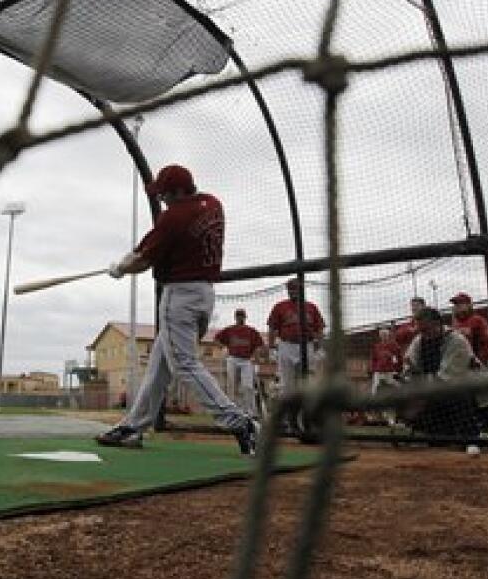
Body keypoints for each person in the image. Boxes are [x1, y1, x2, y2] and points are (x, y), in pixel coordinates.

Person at [95, 164, 260, 455]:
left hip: (179, 297)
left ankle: (239, 422)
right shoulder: (213, 203)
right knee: (158, 369)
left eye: (165, 194)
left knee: (185, 366)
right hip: (204, 295)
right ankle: (134, 426)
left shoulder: (175, 216)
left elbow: (142, 260)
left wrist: (120, 267)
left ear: (179, 191)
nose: (161, 199)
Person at [400, 307, 482, 436]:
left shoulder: (456, 341)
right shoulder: (419, 341)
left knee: (457, 393)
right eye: (420, 330)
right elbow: (409, 368)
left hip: (473, 394)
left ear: (437, 324)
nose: (423, 333)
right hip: (436, 391)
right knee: (437, 437)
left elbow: (447, 378)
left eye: (425, 329)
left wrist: (419, 394)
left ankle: (470, 433)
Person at [265, 277, 325, 400]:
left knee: (307, 380)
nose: (293, 291)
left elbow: (319, 329)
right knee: (286, 383)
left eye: (295, 288)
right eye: (290, 289)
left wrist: (319, 346)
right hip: (286, 345)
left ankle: (307, 413)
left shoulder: (311, 307)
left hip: (307, 345)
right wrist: (271, 347)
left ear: (301, 290)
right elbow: (272, 328)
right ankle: (289, 415)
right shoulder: (280, 306)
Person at [214, 308, 265, 417]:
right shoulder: (229, 330)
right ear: (235, 317)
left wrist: (257, 357)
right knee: (232, 385)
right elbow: (216, 339)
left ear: (245, 317)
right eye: (238, 315)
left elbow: (258, 345)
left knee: (248, 386)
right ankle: (233, 410)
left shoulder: (251, 331)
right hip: (233, 359)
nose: (240, 317)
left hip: (246, 360)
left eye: (242, 316)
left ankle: (250, 412)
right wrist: (222, 347)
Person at [368, 325, 403, 424]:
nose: (383, 336)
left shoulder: (394, 346)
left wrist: (397, 370)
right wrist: (374, 369)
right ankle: (374, 416)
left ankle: (392, 418)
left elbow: (399, 359)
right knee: (375, 394)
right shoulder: (377, 346)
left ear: (388, 335)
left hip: (390, 373)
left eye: (385, 334)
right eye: (382, 334)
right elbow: (373, 359)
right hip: (378, 373)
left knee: (391, 393)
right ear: (380, 336)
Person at [449, 292, 488, 367]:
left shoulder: (478, 320)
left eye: (460, 303)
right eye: (455, 304)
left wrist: (479, 361)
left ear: (469, 305)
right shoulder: (455, 325)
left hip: (477, 368)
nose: (457, 306)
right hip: (460, 368)